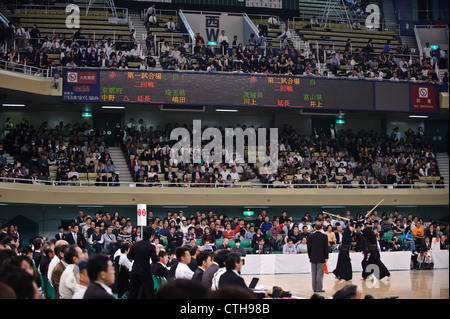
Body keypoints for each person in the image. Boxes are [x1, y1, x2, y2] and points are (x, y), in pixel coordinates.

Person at [127, 226, 159, 299]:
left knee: (133, 292)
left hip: (135, 270)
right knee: (148, 291)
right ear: (151, 236)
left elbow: (129, 256)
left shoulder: (135, 244)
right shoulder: (151, 246)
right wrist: (156, 253)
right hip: (145, 272)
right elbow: (155, 260)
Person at [307, 222, 329, 293]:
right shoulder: (324, 236)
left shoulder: (310, 236)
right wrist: (326, 257)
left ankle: (314, 288)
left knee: (314, 274)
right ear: (321, 228)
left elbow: (309, 248)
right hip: (321, 257)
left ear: (315, 228)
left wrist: (310, 256)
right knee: (319, 274)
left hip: (313, 257)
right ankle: (319, 288)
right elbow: (326, 248)